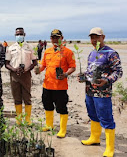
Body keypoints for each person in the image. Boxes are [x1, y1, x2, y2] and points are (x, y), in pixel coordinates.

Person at [79, 27, 123, 157]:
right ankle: (95, 138)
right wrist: (83, 76)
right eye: (92, 37)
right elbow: (89, 71)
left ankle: (110, 148)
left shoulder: (111, 53)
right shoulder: (92, 53)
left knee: (106, 117)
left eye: (97, 37)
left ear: (103, 37)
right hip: (89, 91)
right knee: (92, 114)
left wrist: (107, 80)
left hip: (103, 92)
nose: (94, 40)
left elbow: (118, 72)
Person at [35, 29, 76, 138]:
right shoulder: (47, 51)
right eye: (53, 37)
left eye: (57, 37)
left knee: (61, 107)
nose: (55, 39)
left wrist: (66, 74)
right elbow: (43, 65)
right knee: (47, 105)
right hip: (47, 85)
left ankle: (62, 129)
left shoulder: (68, 52)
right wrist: (38, 70)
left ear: (61, 38)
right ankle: (49, 125)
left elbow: (73, 67)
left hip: (60, 86)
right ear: (50, 39)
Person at [5, 27, 37, 125]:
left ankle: (27, 120)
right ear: (15, 35)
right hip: (15, 75)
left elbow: (35, 62)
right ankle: (19, 120)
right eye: (17, 34)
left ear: (24, 35)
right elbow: (6, 63)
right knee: (17, 97)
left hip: (26, 75)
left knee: (27, 97)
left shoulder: (30, 47)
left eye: (21, 34)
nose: (19, 36)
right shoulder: (10, 48)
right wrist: (14, 69)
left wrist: (27, 69)